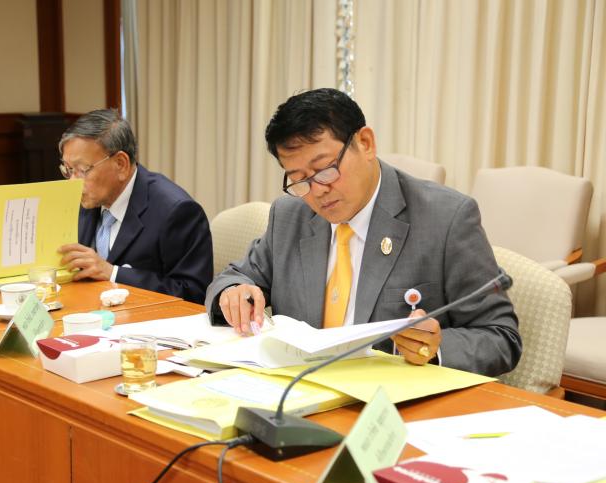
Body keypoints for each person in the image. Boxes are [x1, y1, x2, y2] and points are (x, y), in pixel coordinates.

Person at [205, 88, 521, 376]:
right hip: (296, 390)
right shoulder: (291, 214)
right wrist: (233, 292)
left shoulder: (445, 218)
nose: (317, 191)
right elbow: (236, 277)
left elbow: (500, 337)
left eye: (324, 170)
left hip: (389, 401)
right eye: (299, 179)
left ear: (365, 143)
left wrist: (436, 348)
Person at [0, 109, 213, 304]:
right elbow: (39, 251)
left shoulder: (176, 211)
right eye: (67, 170)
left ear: (121, 164)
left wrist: (113, 273)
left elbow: (193, 294)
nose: (72, 181)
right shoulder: (82, 197)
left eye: (82, 170)